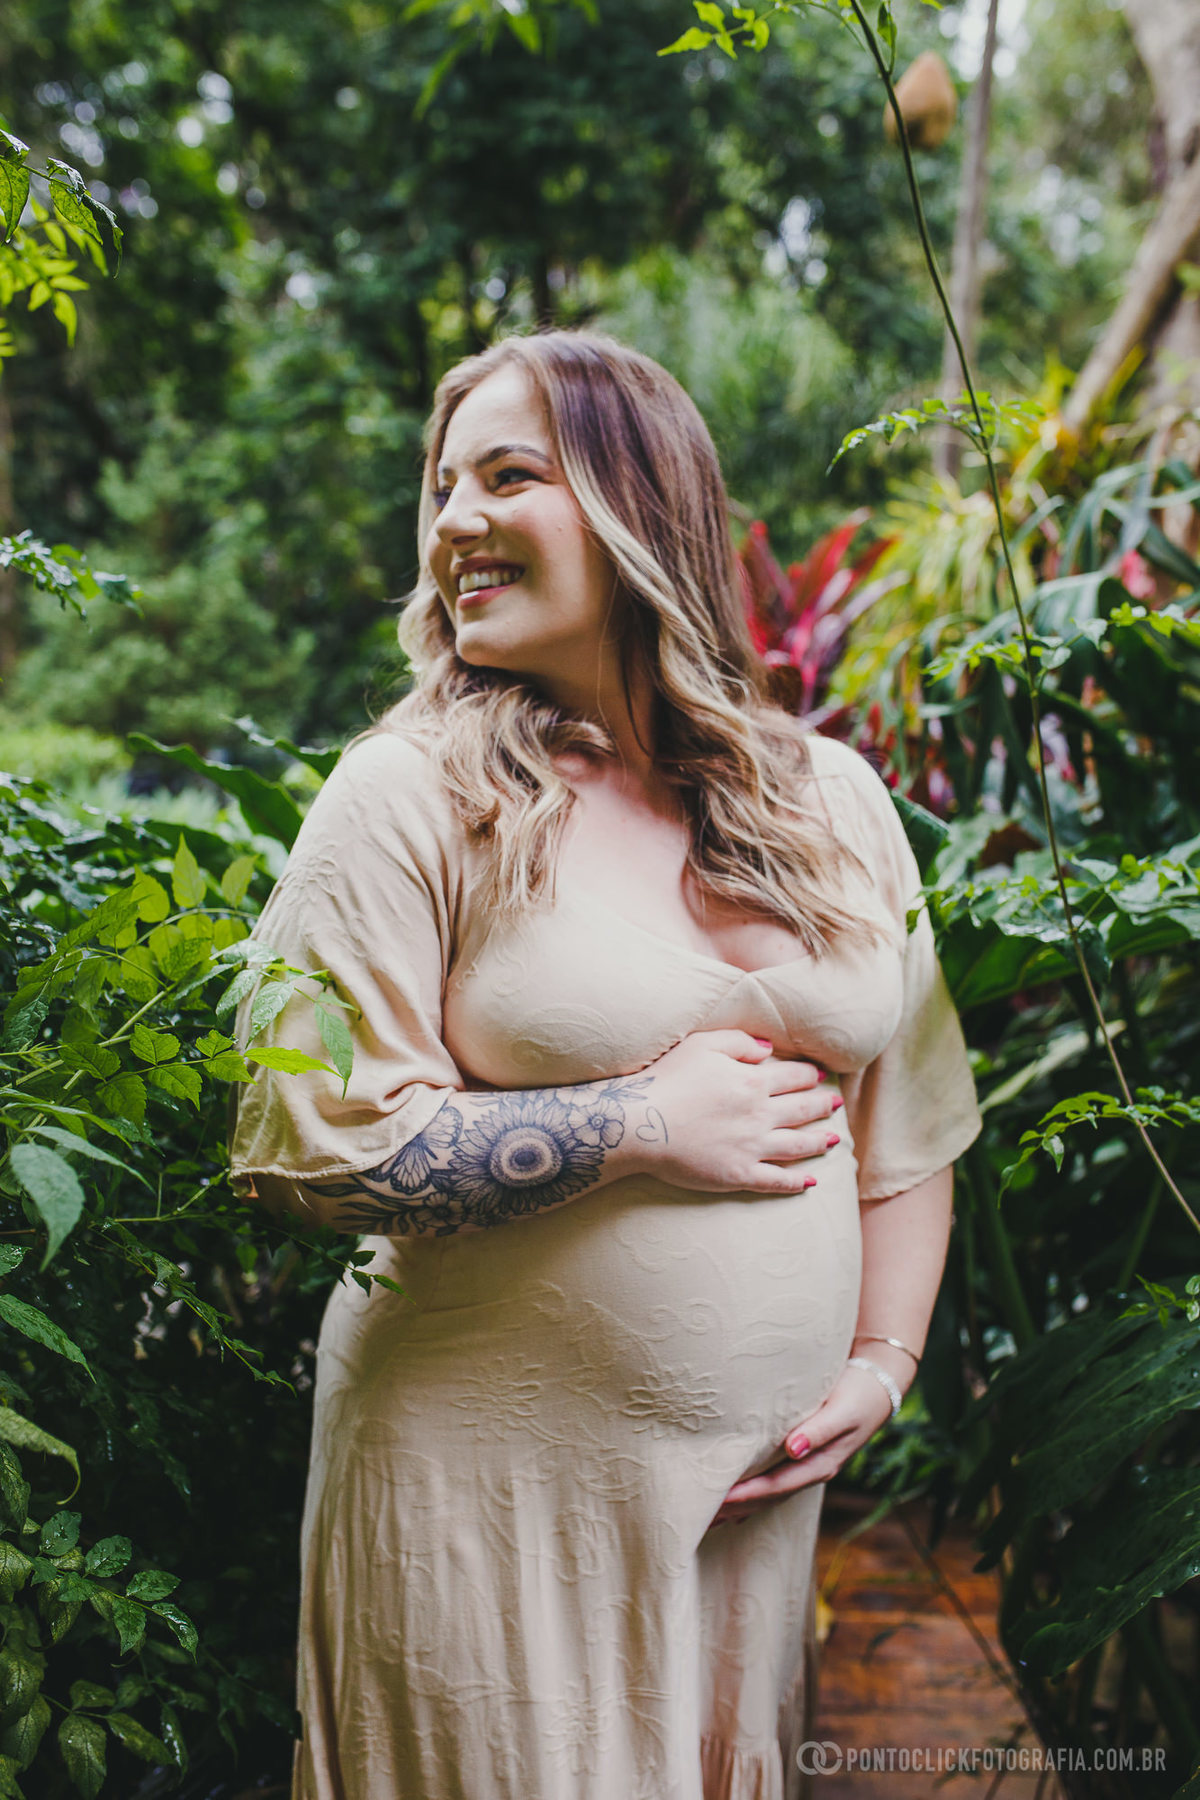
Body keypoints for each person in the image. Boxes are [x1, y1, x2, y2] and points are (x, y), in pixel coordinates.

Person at [230, 328, 982, 1800]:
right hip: (485, 1503)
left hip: (746, 1516)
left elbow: (913, 1133)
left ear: (643, 504)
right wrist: (637, 1121)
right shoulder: (409, 796)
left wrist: (882, 1366)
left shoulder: (832, 798)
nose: (454, 521)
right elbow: (308, 1146)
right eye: (443, 488)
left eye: (508, 475)